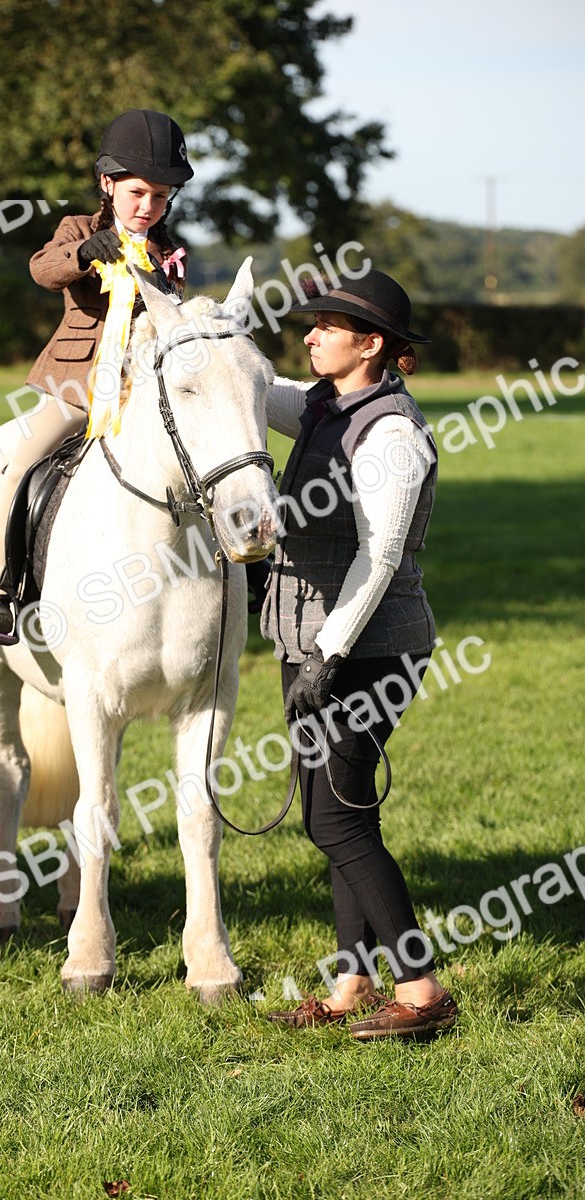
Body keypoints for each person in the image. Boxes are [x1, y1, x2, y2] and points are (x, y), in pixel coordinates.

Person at [263, 269, 459, 1040]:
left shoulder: (392, 434)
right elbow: (252, 387)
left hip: (369, 651)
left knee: (336, 822)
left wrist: (328, 654)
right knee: (340, 816)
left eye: (328, 326)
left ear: (371, 344)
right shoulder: (322, 405)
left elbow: (378, 560)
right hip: (313, 643)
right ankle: (352, 985)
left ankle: (422, 989)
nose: (310, 335)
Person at [0, 109, 193, 644]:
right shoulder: (79, 230)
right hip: (78, 389)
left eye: (160, 197)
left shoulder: (166, 253)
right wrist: (84, 254)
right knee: (20, 465)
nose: (148, 206)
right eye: (137, 193)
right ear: (107, 184)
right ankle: (0, 588)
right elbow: (43, 269)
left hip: (144, 395)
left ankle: (246, 564)